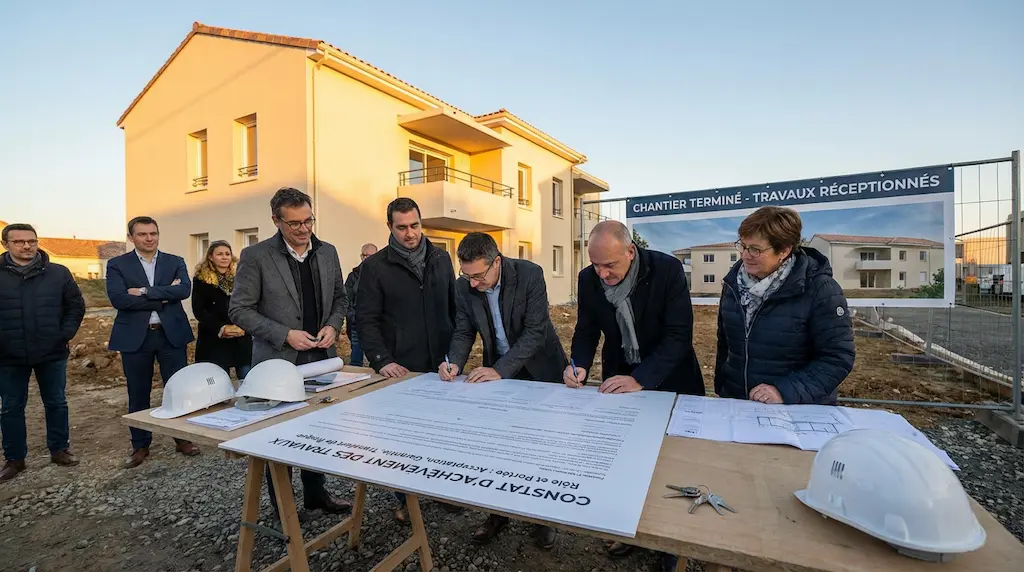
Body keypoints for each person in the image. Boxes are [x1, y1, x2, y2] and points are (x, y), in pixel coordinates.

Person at [565, 220, 704, 564]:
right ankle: (634, 532)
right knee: (627, 463)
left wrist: (641, 378)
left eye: (610, 265)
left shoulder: (666, 270)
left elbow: (678, 337)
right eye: (596, 265)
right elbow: (585, 330)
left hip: (670, 377)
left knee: (672, 465)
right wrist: (579, 364)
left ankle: (672, 546)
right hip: (620, 374)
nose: (602, 274)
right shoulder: (588, 279)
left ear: (631, 251)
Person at [229, 187, 351, 516]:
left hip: (320, 360)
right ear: (276, 221)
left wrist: (332, 326)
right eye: (294, 223)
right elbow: (239, 310)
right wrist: (285, 335)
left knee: (317, 430)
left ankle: (315, 494)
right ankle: (283, 508)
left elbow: (341, 298)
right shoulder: (257, 257)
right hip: (277, 363)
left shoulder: (328, 253)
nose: (303, 229)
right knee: (279, 435)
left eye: (308, 220)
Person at [440, 232, 566, 548]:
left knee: (540, 445)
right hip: (498, 372)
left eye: (478, 275)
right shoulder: (464, 286)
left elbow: (536, 333)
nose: (472, 283)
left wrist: (499, 370)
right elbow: (463, 330)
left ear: (497, 262)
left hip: (539, 369)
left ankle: (543, 518)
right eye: (466, 275)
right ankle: (498, 513)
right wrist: (453, 362)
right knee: (498, 445)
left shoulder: (530, 274)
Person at [357, 197, 457, 523]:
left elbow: (454, 309)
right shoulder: (374, 267)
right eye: (402, 227)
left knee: (443, 430)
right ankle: (405, 498)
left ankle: (443, 491)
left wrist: (455, 354)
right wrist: (381, 359)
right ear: (390, 227)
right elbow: (365, 320)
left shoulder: (441, 258)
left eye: (414, 225)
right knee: (402, 437)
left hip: (441, 363)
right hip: (401, 367)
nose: (410, 233)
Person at [715, 206, 854, 405]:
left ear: (784, 250)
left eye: (756, 249)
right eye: (743, 246)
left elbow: (837, 357)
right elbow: (725, 344)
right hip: (738, 403)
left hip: (797, 408)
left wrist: (784, 391)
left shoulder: (819, 289)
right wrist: (724, 385)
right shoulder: (733, 284)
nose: (745, 255)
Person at [107, 216, 199, 468]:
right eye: (142, 234)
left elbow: (183, 291)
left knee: (177, 389)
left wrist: (145, 291)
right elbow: (119, 300)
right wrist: (164, 295)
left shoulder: (174, 261)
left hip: (170, 335)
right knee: (138, 392)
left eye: (153, 233)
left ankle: (182, 439)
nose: (149, 238)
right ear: (131, 237)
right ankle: (140, 445)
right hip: (136, 337)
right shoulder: (117, 265)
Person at [0, 223, 86, 482]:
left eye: (31, 241)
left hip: (51, 352)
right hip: (8, 355)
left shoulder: (58, 273)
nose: (26, 246)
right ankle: (14, 459)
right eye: (19, 242)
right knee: (11, 407)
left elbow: (75, 305)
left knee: (56, 403)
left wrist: (65, 333)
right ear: (6, 245)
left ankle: (59, 449)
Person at [191, 240, 252, 380]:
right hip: (214, 337)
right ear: (211, 257)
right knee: (217, 381)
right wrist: (222, 328)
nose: (224, 257)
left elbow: (251, 304)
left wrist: (244, 326)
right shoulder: (201, 280)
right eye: (219, 254)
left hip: (241, 336)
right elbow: (199, 310)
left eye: (227, 254)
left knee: (247, 377)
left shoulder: (242, 277)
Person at [344, 243, 377, 367]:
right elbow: (345, 297)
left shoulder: (382, 274)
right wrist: (351, 315)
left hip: (376, 322)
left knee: (377, 357)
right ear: (361, 256)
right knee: (356, 356)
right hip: (357, 320)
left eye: (371, 255)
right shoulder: (353, 276)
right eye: (365, 255)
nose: (367, 258)